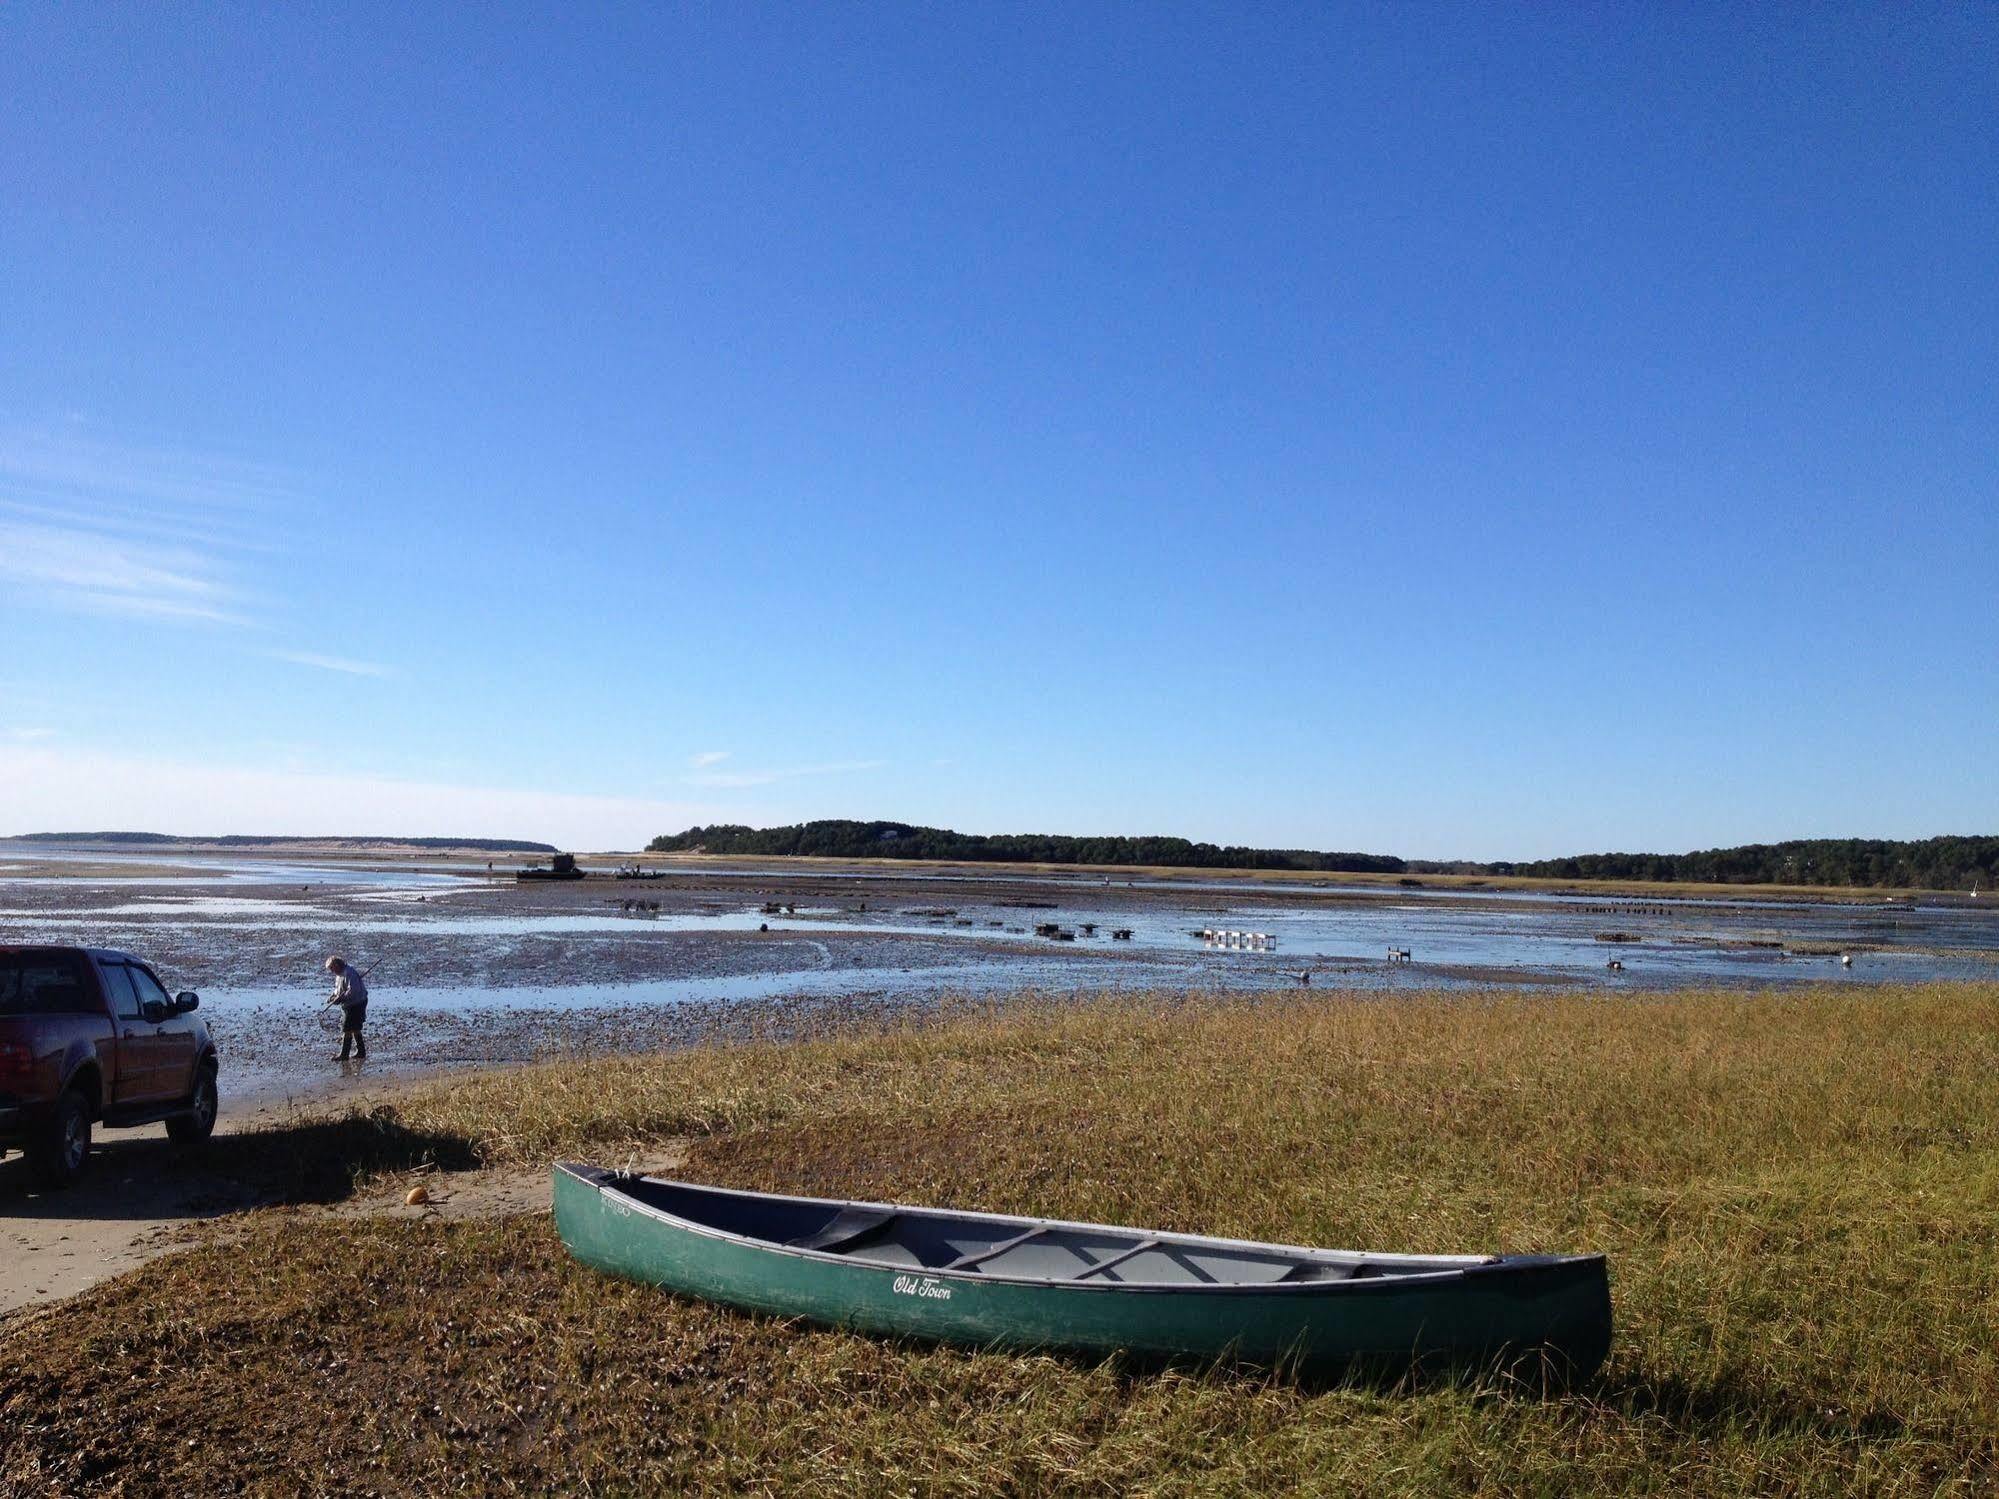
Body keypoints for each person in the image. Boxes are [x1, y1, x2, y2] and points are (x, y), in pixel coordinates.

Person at [324, 955, 369, 1061]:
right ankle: (361, 1052)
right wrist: (333, 996)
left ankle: (344, 1054)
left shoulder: (349, 972)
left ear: (336, 965)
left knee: (347, 1028)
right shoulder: (339, 974)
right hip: (348, 1004)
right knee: (355, 1028)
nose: (331, 971)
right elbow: (338, 989)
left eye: (331, 968)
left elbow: (353, 991)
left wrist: (341, 999)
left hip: (356, 1003)